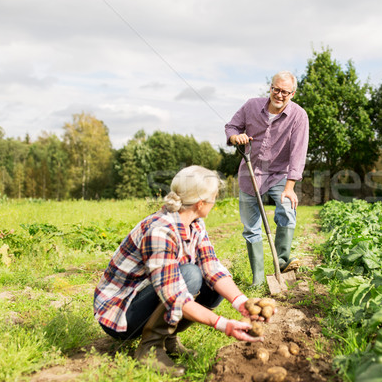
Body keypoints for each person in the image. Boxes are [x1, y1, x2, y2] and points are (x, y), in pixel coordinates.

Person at [93, 165, 265, 377]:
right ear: (201, 203)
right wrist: (223, 324)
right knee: (191, 275)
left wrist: (243, 304)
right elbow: (174, 295)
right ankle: (150, 348)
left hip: (150, 295)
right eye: (214, 198)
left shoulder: (195, 223)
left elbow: (212, 267)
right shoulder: (161, 230)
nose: (215, 202)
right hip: (122, 313)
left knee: (212, 286)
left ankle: (168, 338)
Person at [225, 71, 309, 286]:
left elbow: (298, 152)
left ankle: (281, 260)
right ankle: (258, 280)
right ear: (270, 88)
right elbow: (231, 126)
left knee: (287, 210)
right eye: (276, 89)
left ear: (293, 93)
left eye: (285, 92)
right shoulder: (252, 106)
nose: (279, 95)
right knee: (251, 228)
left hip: (279, 174)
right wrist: (235, 137)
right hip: (249, 173)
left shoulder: (299, 116)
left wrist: (290, 188)